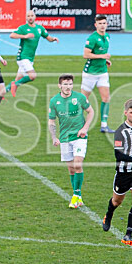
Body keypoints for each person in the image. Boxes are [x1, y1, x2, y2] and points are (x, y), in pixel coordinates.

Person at [103, 99, 132, 246]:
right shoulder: (120, 132)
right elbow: (118, 154)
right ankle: (109, 214)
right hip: (124, 173)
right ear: (125, 113)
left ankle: (128, 234)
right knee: (117, 201)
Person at [47, 74, 95, 209]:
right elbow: (51, 121)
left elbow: (91, 112)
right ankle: (78, 197)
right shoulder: (54, 101)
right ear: (60, 86)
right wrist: (54, 137)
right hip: (64, 138)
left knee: (78, 164)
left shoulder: (79, 98)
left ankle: (76, 195)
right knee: (71, 169)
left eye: (70, 84)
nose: (68, 87)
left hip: (79, 137)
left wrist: (85, 128)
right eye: (65, 84)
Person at [6, 10, 58, 97]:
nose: (30, 17)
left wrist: (53, 39)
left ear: (35, 17)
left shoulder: (39, 28)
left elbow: (48, 37)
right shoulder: (23, 28)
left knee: (18, 79)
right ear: (26, 18)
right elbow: (12, 35)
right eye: (28, 16)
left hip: (30, 58)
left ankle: (2, 93)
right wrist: (24, 36)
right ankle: (14, 85)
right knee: (32, 76)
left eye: (32, 15)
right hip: (23, 56)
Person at [81, 14, 114, 133]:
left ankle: (104, 125)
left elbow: (102, 54)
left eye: (104, 23)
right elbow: (86, 54)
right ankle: (75, 122)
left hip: (102, 73)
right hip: (90, 73)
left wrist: (105, 60)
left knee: (106, 98)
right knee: (83, 100)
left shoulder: (108, 36)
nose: (102, 26)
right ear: (96, 25)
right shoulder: (92, 38)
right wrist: (102, 56)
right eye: (100, 23)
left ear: (107, 24)